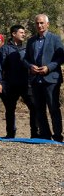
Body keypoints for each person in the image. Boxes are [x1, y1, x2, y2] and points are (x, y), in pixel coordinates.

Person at [23, 14, 63, 142]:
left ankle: (57, 136)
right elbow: (25, 59)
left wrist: (49, 67)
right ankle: (45, 135)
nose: (39, 25)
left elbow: (61, 57)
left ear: (47, 24)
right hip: (36, 80)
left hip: (51, 79)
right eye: (37, 23)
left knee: (53, 108)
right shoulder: (31, 41)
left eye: (41, 23)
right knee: (39, 109)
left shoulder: (55, 39)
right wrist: (30, 66)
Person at [0, 25, 38, 138]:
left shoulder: (27, 48)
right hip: (10, 84)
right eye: (21, 32)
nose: (24, 34)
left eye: (24, 32)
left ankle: (35, 133)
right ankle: (10, 133)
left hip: (26, 83)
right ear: (13, 34)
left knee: (34, 107)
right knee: (10, 109)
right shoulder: (5, 49)